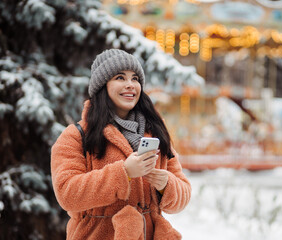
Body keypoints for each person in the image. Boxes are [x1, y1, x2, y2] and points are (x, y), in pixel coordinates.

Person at [51, 49, 191, 240]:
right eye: (120, 78)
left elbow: (183, 194)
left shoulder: (156, 131)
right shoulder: (76, 135)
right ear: (102, 85)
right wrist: (123, 173)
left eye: (135, 79)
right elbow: (67, 193)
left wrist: (166, 185)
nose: (130, 85)